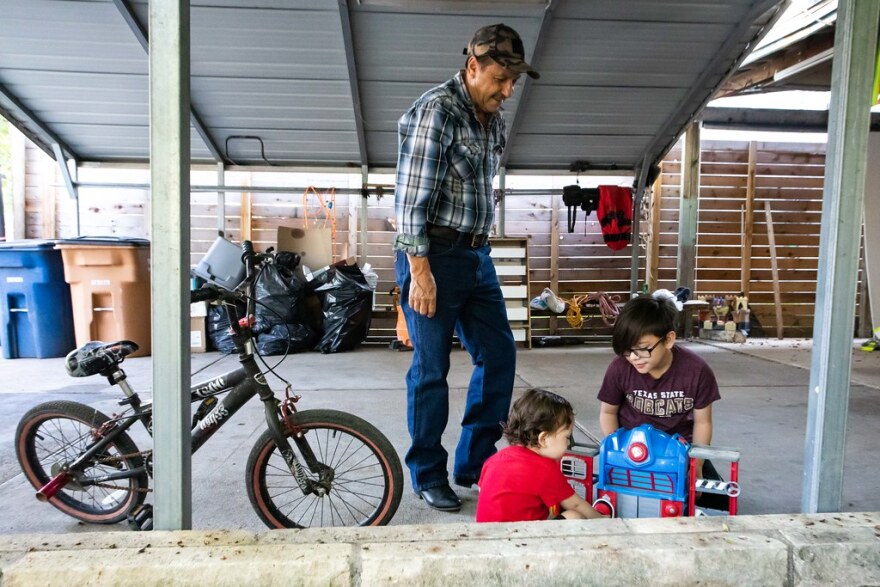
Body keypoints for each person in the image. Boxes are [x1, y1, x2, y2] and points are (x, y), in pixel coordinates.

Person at [392, 23, 539, 512]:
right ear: (473, 66)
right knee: (431, 369)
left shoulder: (490, 116)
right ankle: (428, 474)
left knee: (499, 356)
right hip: (431, 255)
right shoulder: (437, 111)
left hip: (477, 255)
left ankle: (475, 465)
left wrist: (477, 253)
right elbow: (410, 203)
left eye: (513, 82)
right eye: (500, 79)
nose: (507, 90)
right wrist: (420, 273)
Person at [597, 292, 727, 510]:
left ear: (668, 339)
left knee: (718, 504)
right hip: (633, 452)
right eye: (627, 349)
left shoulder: (697, 371)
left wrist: (697, 465)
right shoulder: (620, 367)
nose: (633, 357)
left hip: (680, 452)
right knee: (616, 502)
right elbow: (608, 412)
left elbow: (703, 422)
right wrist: (617, 451)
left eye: (642, 348)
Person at [476, 388, 607, 522]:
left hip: (486, 535)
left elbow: (483, 492)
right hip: (521, 539)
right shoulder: (545, 469)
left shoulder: (494, 459)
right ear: (543, 439)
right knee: (574, 515)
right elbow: (576, 504)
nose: (568, 443)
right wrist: (604, 522)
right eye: (567, 437)